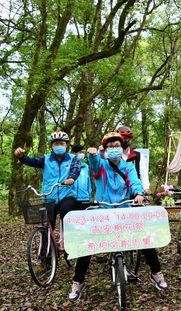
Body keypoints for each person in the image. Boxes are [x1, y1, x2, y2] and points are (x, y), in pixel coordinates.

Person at [68, 132, 167, 301]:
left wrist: (138, 193)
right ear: (105, 149)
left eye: (117, 146)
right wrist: (92, 156)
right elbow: (94, 166)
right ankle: (78, 282)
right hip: (102, 211)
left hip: (125, 210)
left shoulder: (128, 167)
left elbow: (134, 182)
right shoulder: (101, 166)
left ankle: (156, 273)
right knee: (87, 245)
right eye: (110, 146)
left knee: (144, 238)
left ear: (122, 148)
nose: (114, 149)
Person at [14, 130, 81, 229]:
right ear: (52, 146)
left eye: (61, 143)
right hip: (49, 196)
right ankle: (47, 242)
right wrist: (22, 157)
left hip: (67, 195)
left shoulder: (73, 158)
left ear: (66, 145)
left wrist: (71, 178)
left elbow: (76, 169)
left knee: (65, 212)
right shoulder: (46, 159)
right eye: (56, 144)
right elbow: (33, 162)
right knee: (47, 223)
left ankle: (67, 238)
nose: (59, 146)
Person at [115, 125, 150, 194]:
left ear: (130, 139)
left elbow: (143, 175)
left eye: (126, 138)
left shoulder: (138, 156)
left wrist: (146, 188)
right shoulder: (113, 156)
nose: (124, 141)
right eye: (122, 138)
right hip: (117, 194)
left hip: (135, 193)